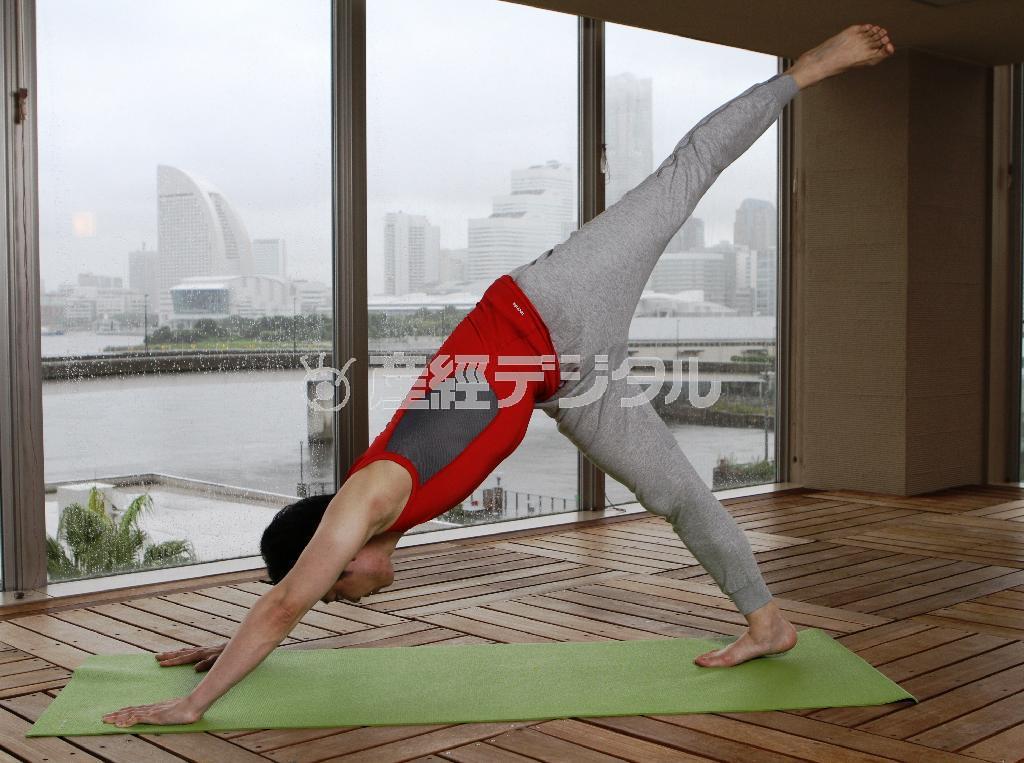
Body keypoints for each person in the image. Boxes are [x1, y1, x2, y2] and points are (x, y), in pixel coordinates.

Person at [102, 23, 895, 728]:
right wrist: (223, 647)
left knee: (681, 179)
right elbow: (290, 600)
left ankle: (807, 70)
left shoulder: (372, 492)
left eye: (340, 590)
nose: (352, 597)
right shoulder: (377, 523)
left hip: (551, 302)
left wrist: (193, 705)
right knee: (678, 490)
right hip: (565, 377)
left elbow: (285, 604)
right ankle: (768, 622)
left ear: (340, 552)